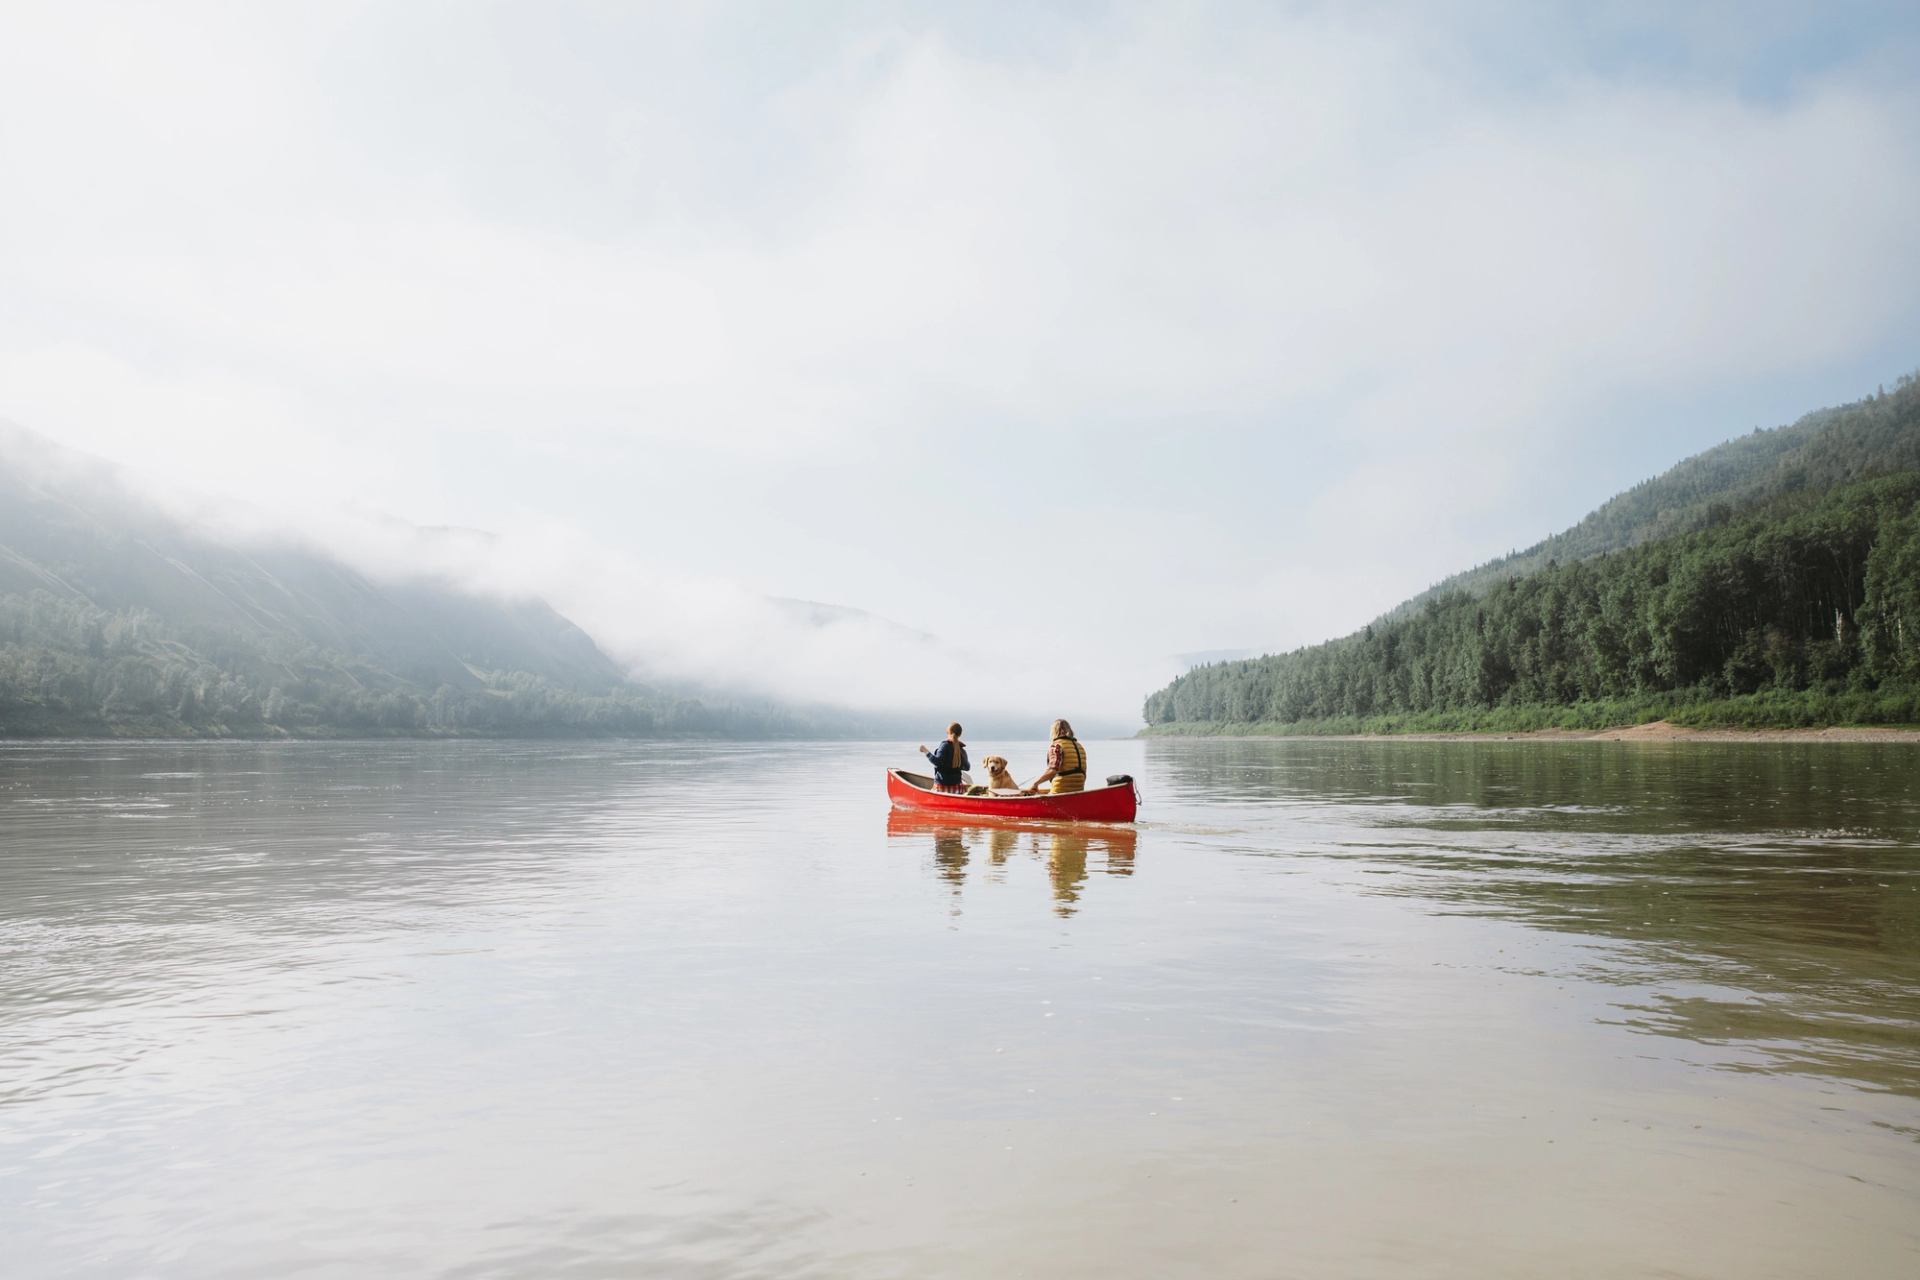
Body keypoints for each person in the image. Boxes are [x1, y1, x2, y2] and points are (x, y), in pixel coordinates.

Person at [1023, 718, 1087, 795]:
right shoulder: (1079, 746)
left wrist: (1035, 784)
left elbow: (1052, 770)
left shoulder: (1057, 746)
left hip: (1060, 790)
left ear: (1054, 731)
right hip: (1078, 790)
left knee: (1030, 792)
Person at [918, 722, 971, 793]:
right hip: (957, 789)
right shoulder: (961, 749)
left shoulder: (945, 745)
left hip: (942, 788)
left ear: (949, 732)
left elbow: (937, 762)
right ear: (960, 734)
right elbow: (967, 767)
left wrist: (925, 751)